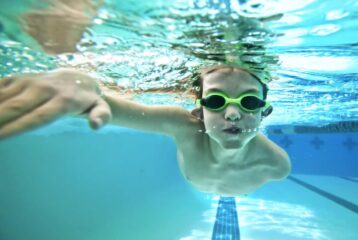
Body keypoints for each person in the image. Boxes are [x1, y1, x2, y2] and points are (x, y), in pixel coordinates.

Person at [0, 63, 291, 196]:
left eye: (249, 101)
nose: (232, 114)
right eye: (215, 100)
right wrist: (81, 92)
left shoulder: (277, 165)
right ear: (198, 111)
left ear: (265, 111)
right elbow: (114, 108)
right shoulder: (184, 127)